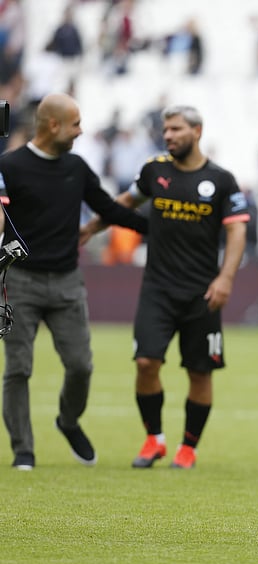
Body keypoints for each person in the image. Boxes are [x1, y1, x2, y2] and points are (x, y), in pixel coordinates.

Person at [84, 105, 249, 470]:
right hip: (157, 288)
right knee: (146, 363)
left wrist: (225, 278)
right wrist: (90, 229)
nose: (169, 135)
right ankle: (154, 440)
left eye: (176, 129)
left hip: (202, 293)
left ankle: (187, 448)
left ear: (197, 131)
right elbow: (125, 203)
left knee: (200, 372)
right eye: (166, 130)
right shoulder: (154, 170)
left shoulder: (221, 180)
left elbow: (237, 230)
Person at [0, 92, 148, 471]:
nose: (81, 131)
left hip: (67, 282)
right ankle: (23, 452)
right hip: (19, 283)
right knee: (18, 368)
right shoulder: (10, 167)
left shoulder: (77, 168)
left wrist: (156, 228)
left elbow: (109, 209)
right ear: (53, 125)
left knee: (81, 365)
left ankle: (67, 421)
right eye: (76, 124)